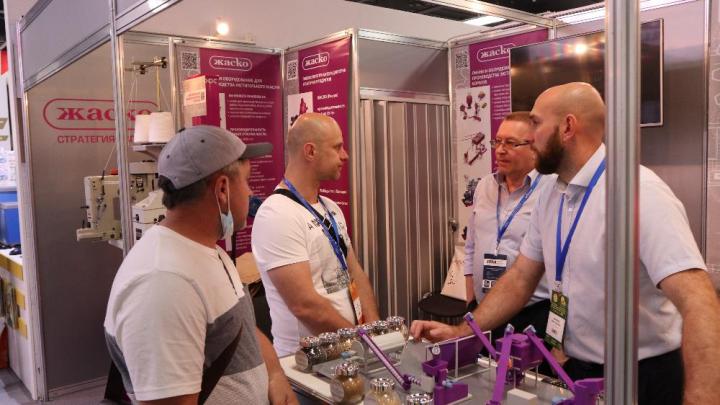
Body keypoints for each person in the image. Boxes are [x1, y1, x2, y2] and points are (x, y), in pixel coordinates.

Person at [411, 83, 720, 404]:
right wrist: (463, 333)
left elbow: (698, 301)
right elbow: (520, 278)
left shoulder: (638, 192)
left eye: (535, 123)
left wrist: (703, 397)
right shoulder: (551, 192)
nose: (530, 136)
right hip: (580, 369)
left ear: (568, 127)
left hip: (643, 375)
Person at [104, 125, 298, 405]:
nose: (250, 192)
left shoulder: (209, 251)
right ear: (222, 189)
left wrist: (275, 375)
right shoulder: (163, 282)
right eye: (246, 181)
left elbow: (241, 328)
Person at [252, 113, 380, 356]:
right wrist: (362, 342)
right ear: (310, 152)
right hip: (306, 364)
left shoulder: (330, 207)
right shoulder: (277, 214)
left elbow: (355, 274)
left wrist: (374, 332)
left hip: (350, 351)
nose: (345, 155)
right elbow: (305, 306)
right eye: (337, 147)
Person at [464, 111, 555, 341]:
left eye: (511, 143)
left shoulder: (552, 191)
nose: (500, 150)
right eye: (498, 141)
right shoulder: (484, 186)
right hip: (483, 311)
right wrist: (470, 300)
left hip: (531, 316)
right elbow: (471, 245)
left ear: (534, 147)